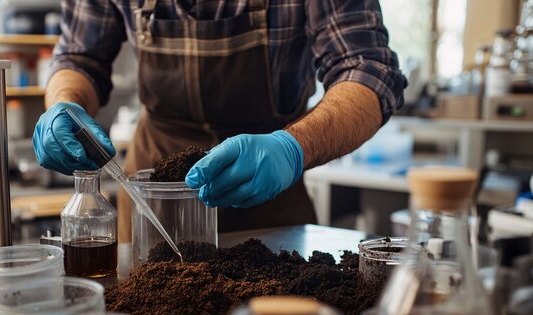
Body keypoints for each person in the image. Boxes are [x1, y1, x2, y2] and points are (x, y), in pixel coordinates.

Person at [33, 0, 407, 243]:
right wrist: (63, 105)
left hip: (269, 187)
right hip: (154, 197)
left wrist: (291, 148)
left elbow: (368, 70)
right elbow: (79, 59)